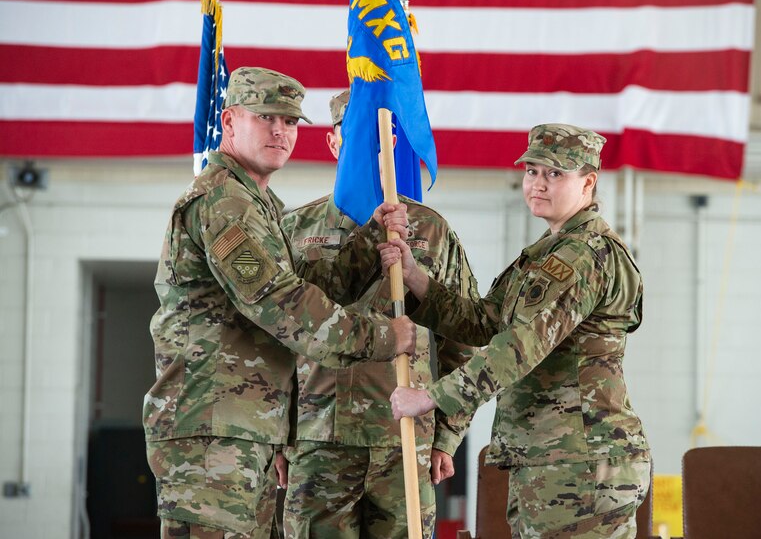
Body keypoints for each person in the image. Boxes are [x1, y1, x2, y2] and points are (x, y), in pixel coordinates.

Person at [143, 67, 416, 539]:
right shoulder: (222, 202)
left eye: (290, 122)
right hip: (213, 429)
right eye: (266, 117)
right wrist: (381, 337)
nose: (280, 132)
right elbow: (279, 301)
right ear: (229, 122)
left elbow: (307, 282)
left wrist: (374, 237)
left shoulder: (260, 204)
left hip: (249, 428)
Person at [380, 124, 651, 538]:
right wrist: (417, 279)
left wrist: (432, 398)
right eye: (532, 171)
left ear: (588, 182)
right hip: (550, 457)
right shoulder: (547, 252)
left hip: (580, 463)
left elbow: (519, 347)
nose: (538, 184)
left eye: (555, 174)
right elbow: (484, 321)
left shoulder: (582, 256)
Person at [279, 90, 479, 539]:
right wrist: (278, 434)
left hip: (404, 438)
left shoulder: (431, 230)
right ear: (333, 145)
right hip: (318, 439)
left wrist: (446, 435)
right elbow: (274, 338)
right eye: (356, 137)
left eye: (383, 138)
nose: (373, 149)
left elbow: (463, 337)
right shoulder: (296, 229)